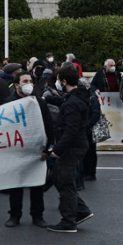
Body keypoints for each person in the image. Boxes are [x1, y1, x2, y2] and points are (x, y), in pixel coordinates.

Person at [45, 65, 93, 233]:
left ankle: (68, 221)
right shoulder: (76, 96)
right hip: (76, 145)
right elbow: (64, 102)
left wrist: (57, 150)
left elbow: (71, 129)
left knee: (65, 182)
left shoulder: (73, 102)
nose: (57, 83)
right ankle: (81, 211)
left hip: (72, 147)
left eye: (59, 80)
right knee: (58, 177)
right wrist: (45, 99)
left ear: (64, 81)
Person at [5, 70, 53, 228]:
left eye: (31, 81)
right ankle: (14, 215)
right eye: (25, 81)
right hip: (16, 151)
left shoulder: (40, 102)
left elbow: (48, 126)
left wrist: (48, 149)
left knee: (37, 185)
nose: (29, 84)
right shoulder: (8, 103)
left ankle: (37, 216)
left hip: (36, 151)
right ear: (17, 85)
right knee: (15, 185)